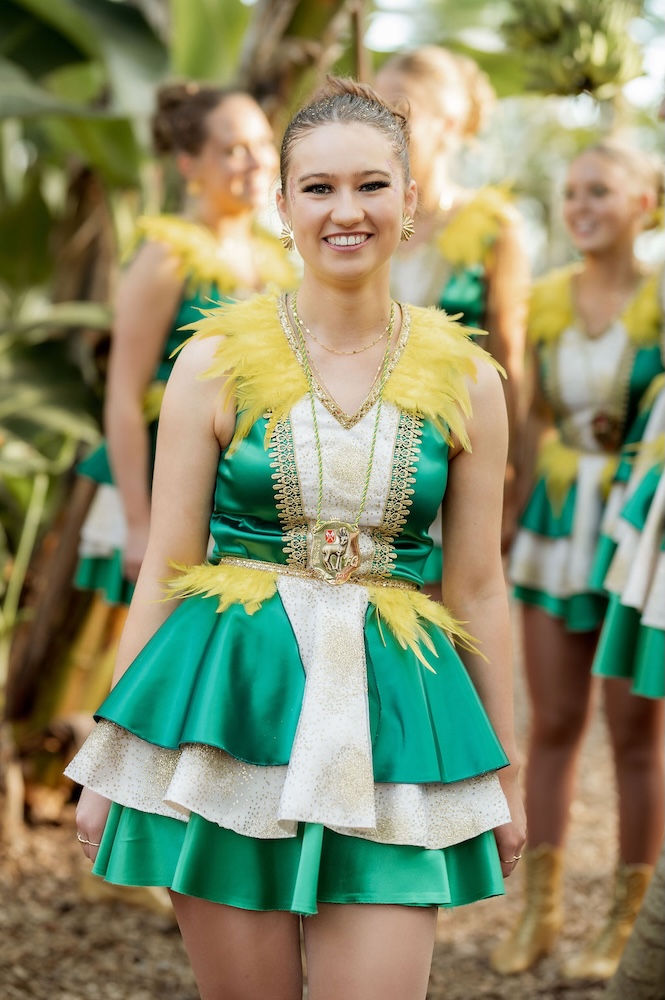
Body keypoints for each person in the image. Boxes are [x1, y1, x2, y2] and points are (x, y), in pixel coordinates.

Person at [66, 77, 525, 1000]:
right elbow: (166, 569)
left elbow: (478, 587)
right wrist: (112, 761)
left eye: (370, 185)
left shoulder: (469, 381)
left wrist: (504, 778)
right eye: (318, 188)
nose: (345, 211)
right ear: (282, 204)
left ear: (409, 197)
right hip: (233, 701)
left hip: (393, 718)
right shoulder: (213, 361)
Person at [493, 140, 664, 980]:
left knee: (635, 734)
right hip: (558, 524)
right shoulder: (545, 299)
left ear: (644, 203)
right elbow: (526, 415)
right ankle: (540, 911)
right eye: (568, 193)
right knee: (553, 721)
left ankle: (625, 926)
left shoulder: (661, 299)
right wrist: (508, 505)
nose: (579, 206)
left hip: (637, 530)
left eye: (598, 190)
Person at [375, 46, 529, 578]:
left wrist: (510, 478)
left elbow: (510, 359)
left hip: (451, 450)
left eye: (400, 110)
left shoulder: (494, 228)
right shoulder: (361, 219)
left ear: (448, 124)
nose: (384, 126)